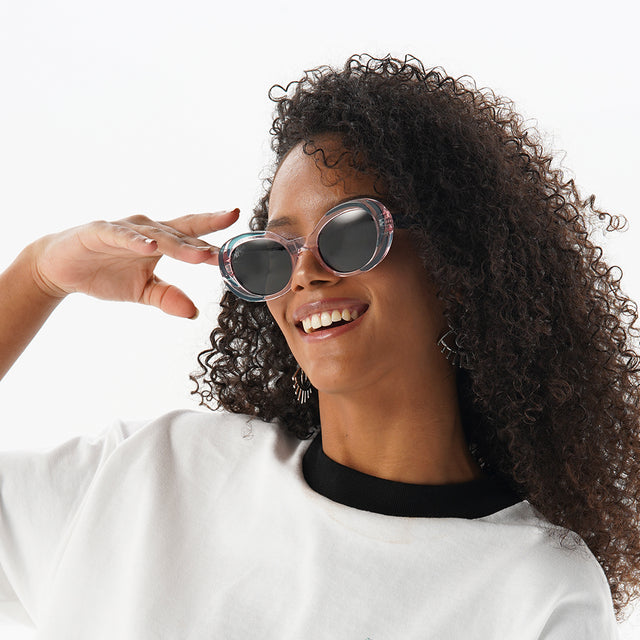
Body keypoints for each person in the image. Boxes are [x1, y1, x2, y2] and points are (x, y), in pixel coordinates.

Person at [0, 53, 636, 638]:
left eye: (350, 233)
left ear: (457, 261)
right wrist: (37, 277)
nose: (304, 273)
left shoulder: (534, 594)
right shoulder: (157, 474)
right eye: (274, 253)